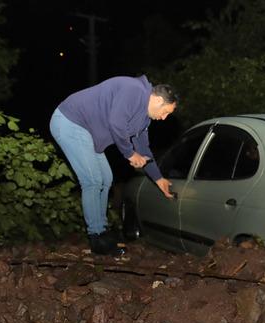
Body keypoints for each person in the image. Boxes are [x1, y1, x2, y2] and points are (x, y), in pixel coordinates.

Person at [50, 75, 176, 255]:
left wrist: (158, 179)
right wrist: (130, 153)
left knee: (106, 178)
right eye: (165, 112)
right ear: (157, 99)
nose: (164, 118)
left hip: (88, 134)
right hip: (70, 122)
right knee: (93, 180)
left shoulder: (144, 119)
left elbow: (144, 149)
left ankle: (102, 230)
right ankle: (96, 236)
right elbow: (116, 123)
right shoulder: (134, 90)